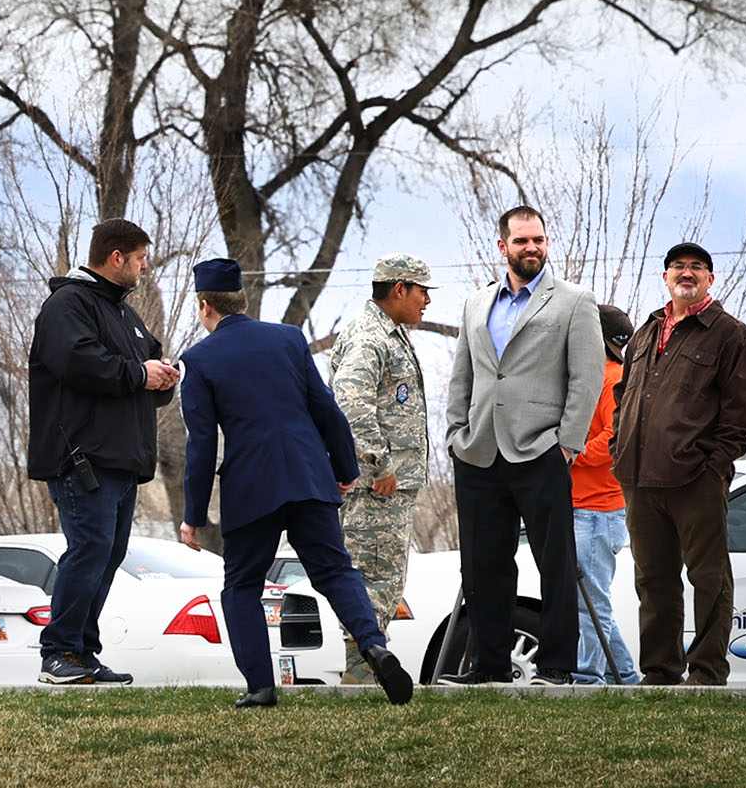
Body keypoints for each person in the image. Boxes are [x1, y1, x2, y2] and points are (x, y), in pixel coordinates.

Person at [176, 259, 414, 708]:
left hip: (252, 488)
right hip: (309, 475)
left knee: (242, 586)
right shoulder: (288, 339)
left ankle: (261, 688)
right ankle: (373, 644)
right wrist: (345, 471)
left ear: (204, 306)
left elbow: (202, 445)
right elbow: (327, 410)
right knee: (336, 571)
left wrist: (193, 516)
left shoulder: (199, 360)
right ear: (241, 300)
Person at [442, 206, 601, 686]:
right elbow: (462, 376)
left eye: (539, 240)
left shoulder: (574, 302)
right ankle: (489, 668)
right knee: (483, 567)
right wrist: (455, 435)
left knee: (554, 566)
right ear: (502, 247)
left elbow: (587, 378)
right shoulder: (475, 304)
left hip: (541, 452)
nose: (532, 248)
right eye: (522, 241)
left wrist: (567, 443)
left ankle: (556, 668)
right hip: (478, 453)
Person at [26, 216, 177, 686]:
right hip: (81, 458)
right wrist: (139, 374)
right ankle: (60, 652)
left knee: (108, 553)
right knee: (89, 548)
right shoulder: (67, 305)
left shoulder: (125, 314)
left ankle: (82, 652)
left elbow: (146, 369)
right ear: (116, 258)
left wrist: (164, 376)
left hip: (122, 461)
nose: (145, 267)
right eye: (139, 259)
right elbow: (80, 363)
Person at [613, 240, 746, 687]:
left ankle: (706, 673)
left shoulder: (730, 334)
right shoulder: (645, 332)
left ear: (709, 279)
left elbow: (742, 414)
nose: (687, 272)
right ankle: (660, 673)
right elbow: (624, 397)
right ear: (665, 277)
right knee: (653, 581)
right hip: (639, 479)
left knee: (709, 579)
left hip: (696, 480)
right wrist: (618, 445)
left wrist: (713, 465)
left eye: (697, 267)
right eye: (677, 266)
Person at [328, 253, 431, 691]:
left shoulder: (392, 334)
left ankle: (368, 673)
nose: (427, 300)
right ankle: (362, 677)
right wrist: (380, 466)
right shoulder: (370, 337)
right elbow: (351, 405)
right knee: (372, 581)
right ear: (399, 289)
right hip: (376, 490)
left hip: (390, 487)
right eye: (422, 290)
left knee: (384, 584)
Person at [569, 302, 636, 685]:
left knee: (590, 606)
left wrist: (568, 456)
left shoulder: (612, 378)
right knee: (592, 606)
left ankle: (588, 681)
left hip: (596, 511)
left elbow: (615, 438)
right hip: (586, 509)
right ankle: (626, 677)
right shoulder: (599, 376)